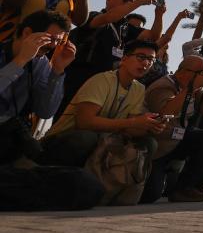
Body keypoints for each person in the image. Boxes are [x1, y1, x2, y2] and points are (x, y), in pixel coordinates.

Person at [0, 10, 104, 211]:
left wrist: (57, 70)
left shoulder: (39, 63)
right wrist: (19, 61)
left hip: (14, 141)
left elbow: (45, 111)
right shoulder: (18, 57)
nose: (52, 46)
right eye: (49, 39)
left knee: (84, 182)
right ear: (27, 32)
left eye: (59, 41)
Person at [43, 39, 165, 167]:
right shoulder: (103, 80)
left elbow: (130, 130)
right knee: (87, 138)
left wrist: (149, 126)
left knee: (149, 143)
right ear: (124, 59)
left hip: (101, 141)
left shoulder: (139, 88)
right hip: (64, 139)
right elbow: (84, 122)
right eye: (141, 57)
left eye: (151, 60)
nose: (146, 63)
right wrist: (134, 122)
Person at [60, 0, 165, 117]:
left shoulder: (125, 27)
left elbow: (153, 36)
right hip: (80, 78)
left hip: (107, 83)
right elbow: (109, 17)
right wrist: (138, 2)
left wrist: (159, 14)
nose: (129, 3)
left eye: (131, 1)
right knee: (67, 119)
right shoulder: (94, 16)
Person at [142, 56, 203, 203]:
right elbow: (164, 113)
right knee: (151, 194)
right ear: (183, 72)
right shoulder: (164, 85)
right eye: (201, 74)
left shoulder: (194, 89)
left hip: (176, 140)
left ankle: (185, 188)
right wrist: (190, 89)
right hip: (159, 144)